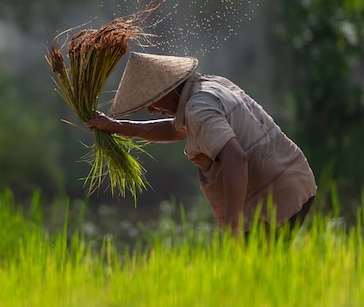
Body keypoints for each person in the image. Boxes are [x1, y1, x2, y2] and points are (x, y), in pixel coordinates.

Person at [86, 52, 317, 238]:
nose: (151, 109)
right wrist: (117, 126)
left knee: (256, 279)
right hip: (292, 180)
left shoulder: (198, 108)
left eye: (151, 100)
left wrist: (233, 224)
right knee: (268, 277)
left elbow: (235, 158)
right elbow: (173, 130)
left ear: (167, 89)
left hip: (272, 196)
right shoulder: (209, 86)